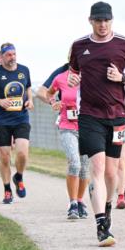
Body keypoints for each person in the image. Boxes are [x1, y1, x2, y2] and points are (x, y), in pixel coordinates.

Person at [68, 1, 125, 246]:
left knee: (112, 172)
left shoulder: (124, 44)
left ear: (112, 21)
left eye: (107, 21)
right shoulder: (80, 46)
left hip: (117, 117)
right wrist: (72, 79)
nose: (103, 25)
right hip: (90, 116)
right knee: (97, 168)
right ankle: (101, 225)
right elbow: (74, 71)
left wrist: (122, 78)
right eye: (98, 20)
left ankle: (108, 207)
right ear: (90, 20)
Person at [0, 43, 33, 204]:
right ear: (2, 57)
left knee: (22, 153)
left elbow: (28, 88)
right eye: (9, 55)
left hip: (21, 118)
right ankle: (7, 190)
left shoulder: (24, 70)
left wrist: (30, 100)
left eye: (14, 54)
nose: (12, 57)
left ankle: (18, 177)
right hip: (1, 121)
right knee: (4, 157)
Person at [43, 64, 91, 219]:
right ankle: (72, 204)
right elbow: (48, 93)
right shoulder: (61, 78)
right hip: (67, 127)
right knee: (74, 163)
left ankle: (80, 201)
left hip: (87, 127)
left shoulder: (91, 77)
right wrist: (53, 102)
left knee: (84, 167)